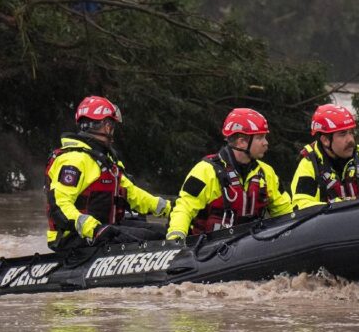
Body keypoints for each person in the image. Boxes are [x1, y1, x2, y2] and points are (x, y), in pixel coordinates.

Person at [45, 95, 172, 251]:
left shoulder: (106, 161)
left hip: (103, 229)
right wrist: (94, 229)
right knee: (155, 238)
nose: (112, 131)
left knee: (162, 232)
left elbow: (133, 195)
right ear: (106, 126)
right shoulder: (74, 160)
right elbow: (59, 205)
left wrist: (169, 208)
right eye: (111, 126)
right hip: (76, 237)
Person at [166, 108, 292, 241]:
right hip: (207, 249)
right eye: (260, 137)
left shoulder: (266, 173)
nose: (266, 143)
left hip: (252, 246)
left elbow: (285, 211)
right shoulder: (206, 171)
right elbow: (184, 207)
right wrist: (176, 235)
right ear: (242, 142)